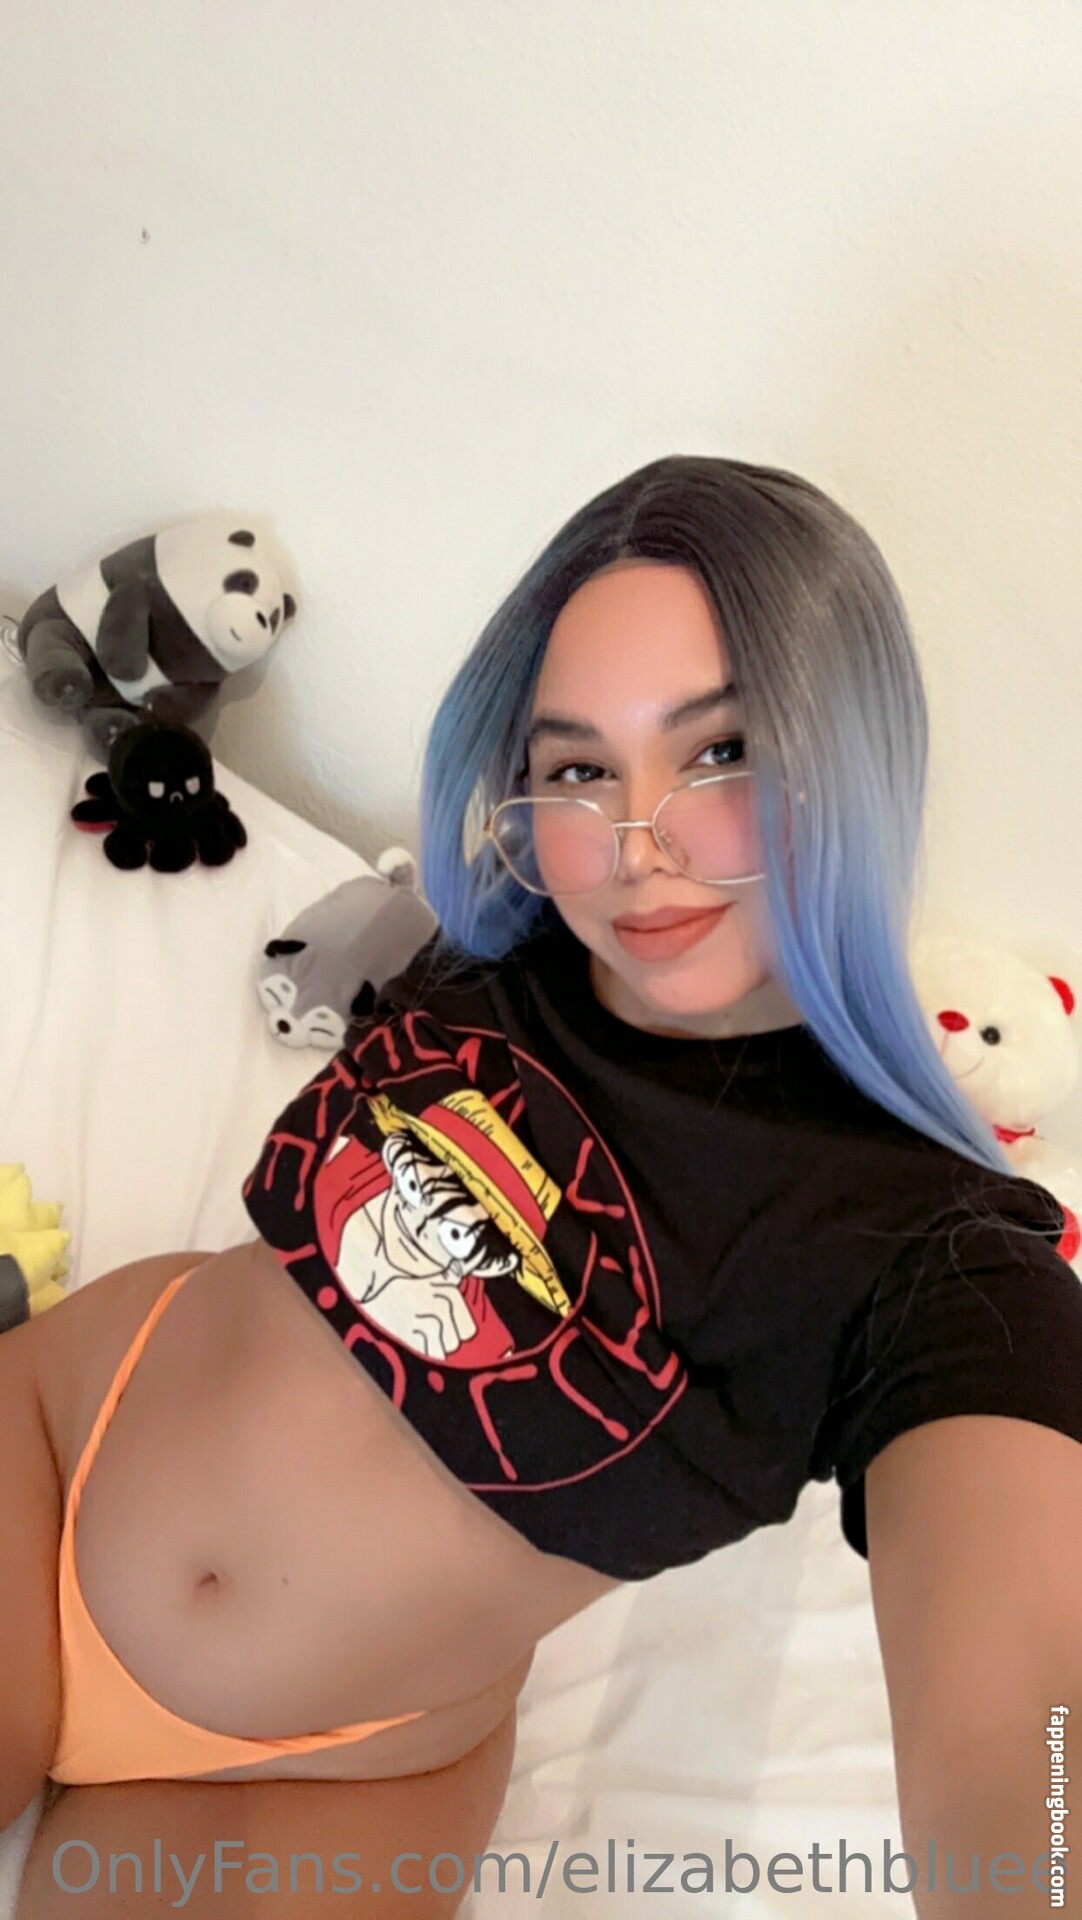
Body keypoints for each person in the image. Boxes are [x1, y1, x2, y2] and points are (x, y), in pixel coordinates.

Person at [4, 454, 1081, 1919]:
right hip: (49, 1461)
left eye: (721, 751)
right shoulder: (496, 952)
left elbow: (1025, 1763)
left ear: (855, 757)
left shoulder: (932, 1259)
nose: (638, 846)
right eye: (579, 769)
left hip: (345, 1769)